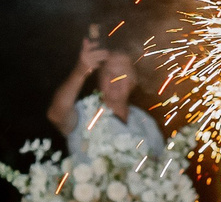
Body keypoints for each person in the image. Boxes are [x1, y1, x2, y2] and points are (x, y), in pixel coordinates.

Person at [47, 25, 165, 160]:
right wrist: (81, 70)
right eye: (108, 73)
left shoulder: (145, 122)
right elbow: (56, 115)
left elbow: (162, 168)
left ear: (134, 81)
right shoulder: (86, 114)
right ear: (99, 78)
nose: (115, 80)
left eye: (123, 74)